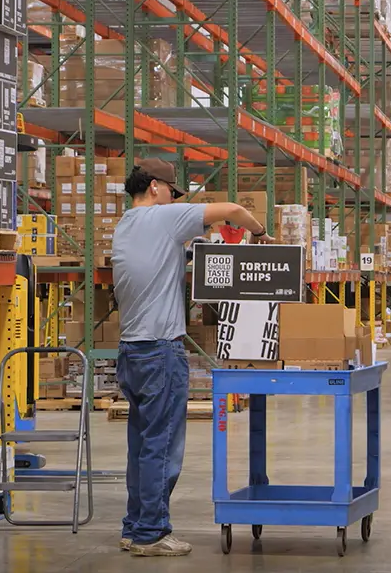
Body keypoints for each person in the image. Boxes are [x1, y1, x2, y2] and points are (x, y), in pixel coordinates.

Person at [110, 158, 273, 557]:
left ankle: (135, 527)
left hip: (131, 351)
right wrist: (261, 233)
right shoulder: (164, 218)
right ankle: (152, 532)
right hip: (160, 351)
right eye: (171, 191)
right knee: (162, 446)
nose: (174, 198)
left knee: (142, 445)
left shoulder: (125, 226)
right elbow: (234, 210)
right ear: (154, 188)